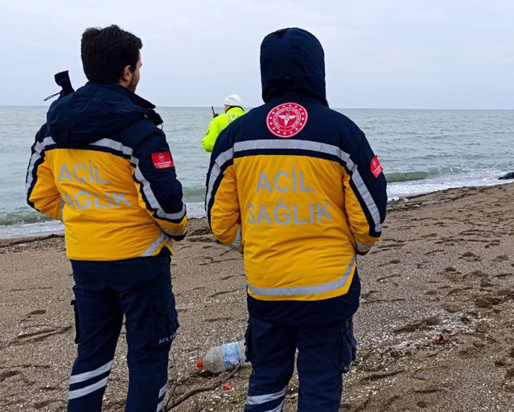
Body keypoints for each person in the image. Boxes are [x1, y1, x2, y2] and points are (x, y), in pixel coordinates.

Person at [206, 27, 387, 411]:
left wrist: (258, 240)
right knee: (320, 387)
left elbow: (220, 224)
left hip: (267, 288)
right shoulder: (342, 132)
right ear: (317, 70)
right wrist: (349, 246)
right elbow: (370, 222)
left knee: (267, 382)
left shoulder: (235, 136)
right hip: (328, 290)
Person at [26, 25, 187, 411]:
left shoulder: (53, 128)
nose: (139, 73)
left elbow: (38, 195)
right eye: (139, 66)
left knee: (92, 357)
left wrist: (85, 214)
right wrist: (177, 229)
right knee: (148, 355)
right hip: (140, 260)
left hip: (86, 260)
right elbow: (167, 204)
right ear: (127, 72)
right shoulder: (138, 128)